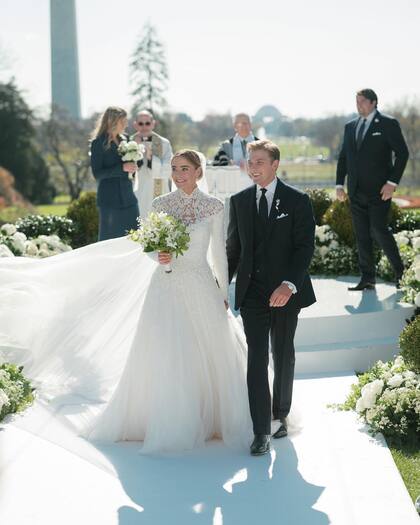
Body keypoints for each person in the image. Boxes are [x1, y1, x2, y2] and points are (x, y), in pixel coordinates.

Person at [0, 150, 252, 454]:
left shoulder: (213, 206)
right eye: (174, 168)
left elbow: (219, 256)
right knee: (167, 351)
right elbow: (149, 247)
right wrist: (161, 257)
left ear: (198, 171)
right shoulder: (161, 204)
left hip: (201, 284)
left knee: (209, 351)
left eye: (185, 168)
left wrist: (223, 293)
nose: (178, 174)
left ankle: (210, 417)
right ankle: (168, 419)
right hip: (166, 285)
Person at [227, 140, 316, 456]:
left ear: (275, 164)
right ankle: (260, 430)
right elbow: (234, 249)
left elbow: (304, 247)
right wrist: (223, 286)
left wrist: (289, 284)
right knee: (256, 358)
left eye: (260, 162)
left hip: (286, 292)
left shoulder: (297, 201)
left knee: (283, 352)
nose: (253, 167)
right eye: (251, 162)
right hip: (252, 292)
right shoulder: (238, 201)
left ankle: (281, 414)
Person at [336, 88, 409, 290]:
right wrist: (339, 184)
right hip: (356, 191)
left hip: (380, 191)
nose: (358, 105)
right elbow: (344, 158)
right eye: (356, 101)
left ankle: (401, 274)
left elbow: (402, 154)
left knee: (378, 230)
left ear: (373, 102)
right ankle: (368, 278)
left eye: (362, 101)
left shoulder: (388, 123)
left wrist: (392, 183)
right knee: (362, 234)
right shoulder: (350, 126)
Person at [90, 106, 139, 241]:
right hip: (109, 200)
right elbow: (97, 174)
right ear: (113, 122)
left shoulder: (126, 139)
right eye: (123, 121)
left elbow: (130, 164)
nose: (126, 124)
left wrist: (135, 165)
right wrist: (122, 168)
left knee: (134, 238)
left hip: (129, 198)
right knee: (109, 240)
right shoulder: (98, 143)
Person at [131, 110, 173, 218]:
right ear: (135, 124)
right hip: (136, 190)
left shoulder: (163, 143)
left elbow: (168, 170)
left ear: (153, 124)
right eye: (141, 123)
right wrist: (136, 152)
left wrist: (151, 159)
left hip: (158, 190)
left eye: (147, 123)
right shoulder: (129, 143)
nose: (144, 126)